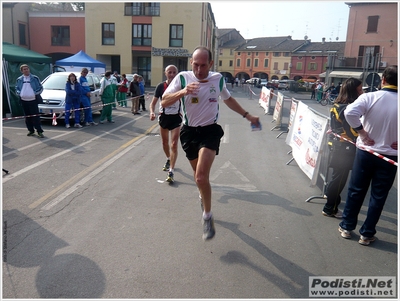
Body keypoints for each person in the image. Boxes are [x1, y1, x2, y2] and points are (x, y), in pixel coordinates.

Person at [162, 46, 260, 241]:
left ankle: (207, 216)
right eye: (196, 65)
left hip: (210, 131)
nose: (199, 70)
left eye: (203, 65)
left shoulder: (218, 79)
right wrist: (183, 91)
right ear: (191, 63)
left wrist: (247, 115)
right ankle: (203, 195)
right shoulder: (182, 77)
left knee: (200, 177)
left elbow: (228, 99)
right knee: (199, 177)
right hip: (189, 132)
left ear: (211, 64)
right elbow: (164, 102)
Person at [339, 65, 398, 246]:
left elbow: (349, 112)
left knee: (356, 190)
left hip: (366, 152)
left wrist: (362, 133)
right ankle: (367, 234)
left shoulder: (370, 96)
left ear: (383, 80)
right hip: (390, 156)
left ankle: (347, 227)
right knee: (378, 196)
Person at [322, 78, 363, 218]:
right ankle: (330, 208)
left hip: (336, 144)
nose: (362, 92)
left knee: (336, 178)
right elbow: (351, 131)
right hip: (344, 147)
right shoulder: (348, 108)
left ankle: (331, 201)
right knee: (339, 179)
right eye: (359, 90)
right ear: (353, 91)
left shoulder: (338, 104)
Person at [149, 65, 180, 183]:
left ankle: (171, 170)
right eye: (169, 72)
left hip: (176, 118)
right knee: (164, 142)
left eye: (174, 72)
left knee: (174, 144)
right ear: (165, 73)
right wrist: (152, 112)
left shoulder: (180, 86)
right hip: (164, 117)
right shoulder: (161, 86)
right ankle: (168, 158)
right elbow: (153, 103)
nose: (172, 74)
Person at [15, 64, 45, 138]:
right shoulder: (19, 79)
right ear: (22, 71)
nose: (26, 70)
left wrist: (34, 94)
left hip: (33, 100)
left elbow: (40, 88)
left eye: (27, 69)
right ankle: (30, 131)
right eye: (24, 69)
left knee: (35, 116)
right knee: (27, 117)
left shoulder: (35, 78)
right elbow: (16, 88)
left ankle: (39, 131)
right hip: (24, 101)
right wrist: (20, 94)